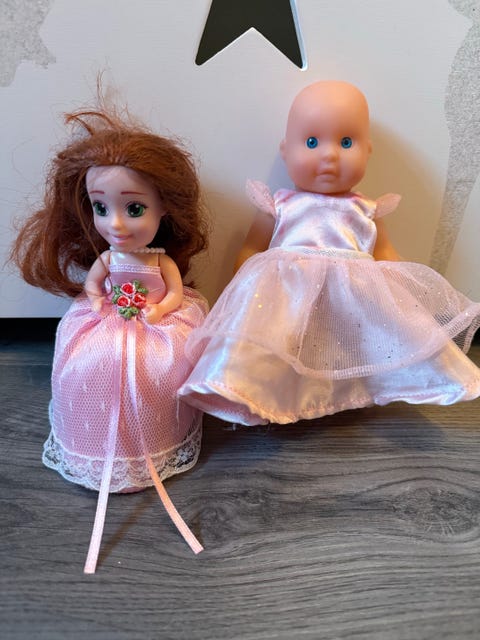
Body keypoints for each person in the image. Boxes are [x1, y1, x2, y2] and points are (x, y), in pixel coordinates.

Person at [178, 80, 480, 426]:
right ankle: (272, 395)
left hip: (353, 301)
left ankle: (351, 394)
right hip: (287, 298)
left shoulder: (367, 210)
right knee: (278, 346)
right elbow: (252, 249)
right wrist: (243, 289)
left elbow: (386, 255)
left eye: (346, 142)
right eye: (312, 142)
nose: (330, 155)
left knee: (356, 344)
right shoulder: (279, 206)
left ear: (368, 151)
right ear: (285, 150)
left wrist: (404, 298)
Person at [11, 106, 209, 571]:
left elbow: (173, 292)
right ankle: (94, 444)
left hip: (154, 328)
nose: (115, 224)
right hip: (110, 325)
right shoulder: (108, 258)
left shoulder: (159, 259)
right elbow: (94, 286)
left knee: (157, 372)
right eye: (101, 208)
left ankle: (155, 444)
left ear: (164, 208)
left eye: (134, 208)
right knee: (94, 365)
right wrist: (100, 303)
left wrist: (159, 309)